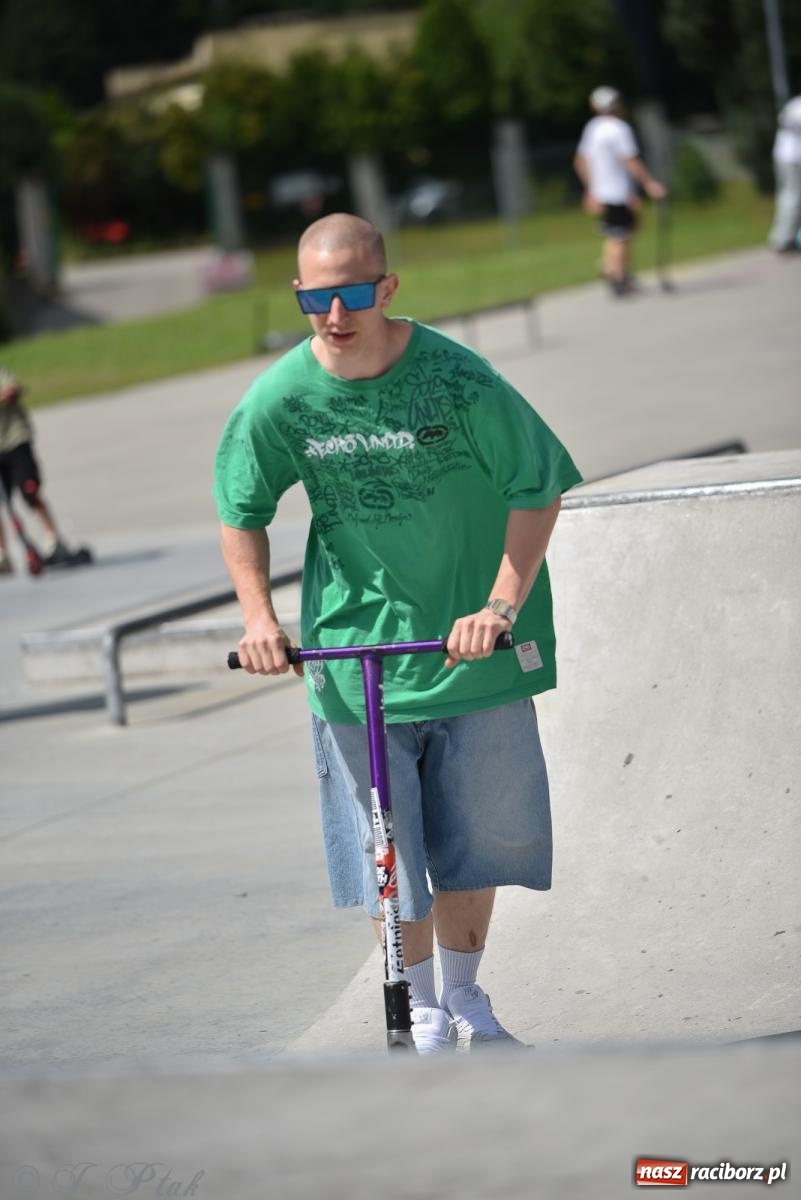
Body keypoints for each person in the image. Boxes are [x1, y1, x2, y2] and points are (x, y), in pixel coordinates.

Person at [213, 213, 582, 1053]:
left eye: (349, 293)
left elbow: (538, 486)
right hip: (356, 662)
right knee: (392, 850)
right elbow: (240, 509)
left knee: (478, 841)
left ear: (385, 288)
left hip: (469, 654)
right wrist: (260, 619)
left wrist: (497, 606)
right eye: (314, 297)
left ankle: (464, 995)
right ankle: (414, 1004)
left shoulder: (458, 381)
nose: (333, 314)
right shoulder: (280, 397)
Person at [574, 85, 667, 296]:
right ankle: (616, 275)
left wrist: (590, 189)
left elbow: (580, 161)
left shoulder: (593, 128)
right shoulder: (619, 129)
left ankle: (614, 268)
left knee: (622, 232)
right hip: (616, 191)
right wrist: (649, 183)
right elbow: (630, 160)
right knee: (620, 235)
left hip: (605, 191)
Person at [0, 367, 75, 573]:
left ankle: (53, 540)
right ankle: (2, 556)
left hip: (16, 442)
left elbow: (11, 390)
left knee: (30, 491)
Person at [768, 92, 801, 254]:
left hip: (783, 154)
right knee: (793, 197)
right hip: (794, 157)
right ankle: (784, 239)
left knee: (787, 196)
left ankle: (785, 236)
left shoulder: (794, 104)